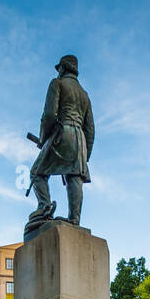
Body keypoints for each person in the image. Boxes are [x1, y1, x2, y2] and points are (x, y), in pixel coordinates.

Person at [27, 54, 95, 230]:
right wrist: (85, 154)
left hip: (62, 133)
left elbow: (49, 115)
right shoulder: (85, 95)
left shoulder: (57, 83)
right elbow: (90, 129)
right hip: (80, 138)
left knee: (37, 172)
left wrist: (44, 139)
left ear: (62, 69)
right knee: (75, 176)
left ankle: (44, 207)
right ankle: (74, 219)